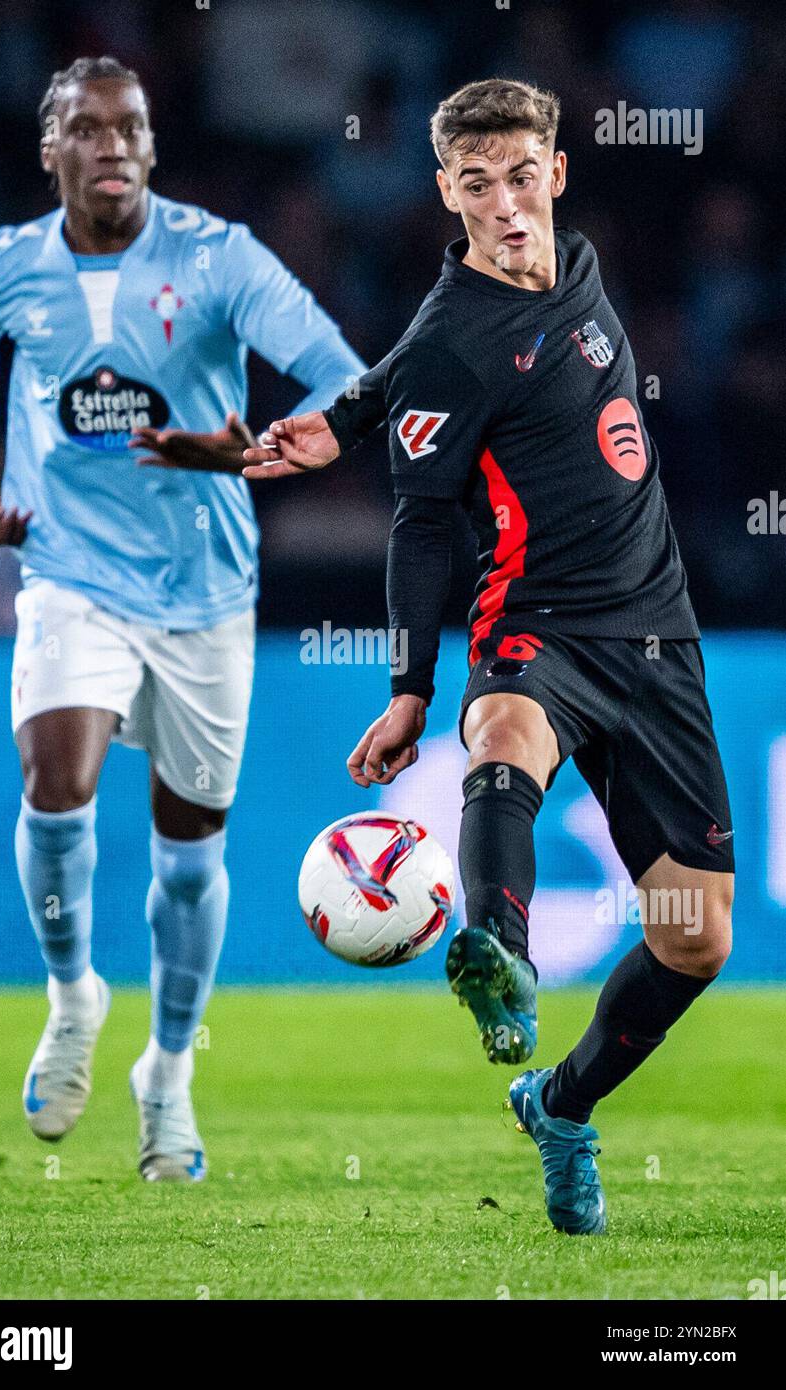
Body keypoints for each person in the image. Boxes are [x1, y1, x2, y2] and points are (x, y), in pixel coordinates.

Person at [237, 78, 735, 1235]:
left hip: (658, 633)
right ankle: (500, 964)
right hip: (535, 623)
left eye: (522, 177)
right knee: (502, 734)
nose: (506, 206)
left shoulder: (581, 266)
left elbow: (395, 371)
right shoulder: (454, 346)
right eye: (477, 186)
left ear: (556, 174)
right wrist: (412, 689)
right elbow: (422, 522)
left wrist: (351, 410)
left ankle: (558, 1103)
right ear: (446, 196)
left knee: (696, 940)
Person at [0, 55, 365, 1183]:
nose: (113, 144)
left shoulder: (220, 257)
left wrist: (248, 448)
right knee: (57, 779)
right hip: (69, 573)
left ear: (153, 148)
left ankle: (166, 1071)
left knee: (187, 861)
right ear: (50, 150)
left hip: (206, 593)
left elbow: (341, 379)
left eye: (131, 127)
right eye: (88, 128)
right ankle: (73, 989)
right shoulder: (3, 265)